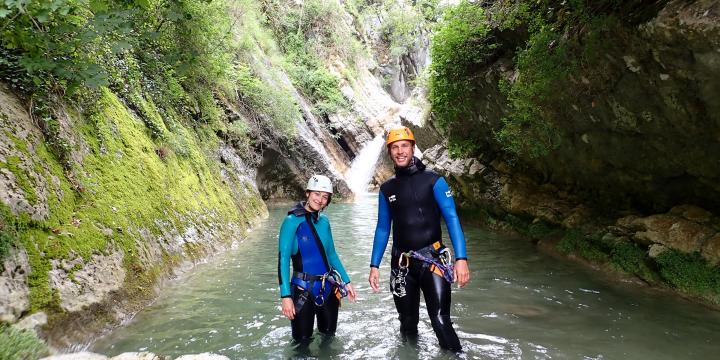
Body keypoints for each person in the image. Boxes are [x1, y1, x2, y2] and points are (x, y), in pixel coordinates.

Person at [368, 126, 470, 352]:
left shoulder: (434, 181)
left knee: (441, 320)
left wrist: (461, 258)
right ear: (390, 152)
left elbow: (452, 218)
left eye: (404, 146)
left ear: (413, 148)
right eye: (395, 147)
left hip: (432, 260)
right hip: (401, 264)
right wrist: (374, 265)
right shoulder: (387, 189)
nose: (400, 151)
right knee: (406, 323)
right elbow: (383, 228)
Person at [278, 174, 357, 344]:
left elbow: (331, 254)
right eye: (316, 194)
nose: (320, 200)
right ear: (307, 193)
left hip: (328, 287)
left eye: (325, 196)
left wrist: (346, 281)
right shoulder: (291, 221)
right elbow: (283, 259)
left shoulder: (325, 222)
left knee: (329, 338)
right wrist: (285, 296)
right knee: (302, 343)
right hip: (302, 290)